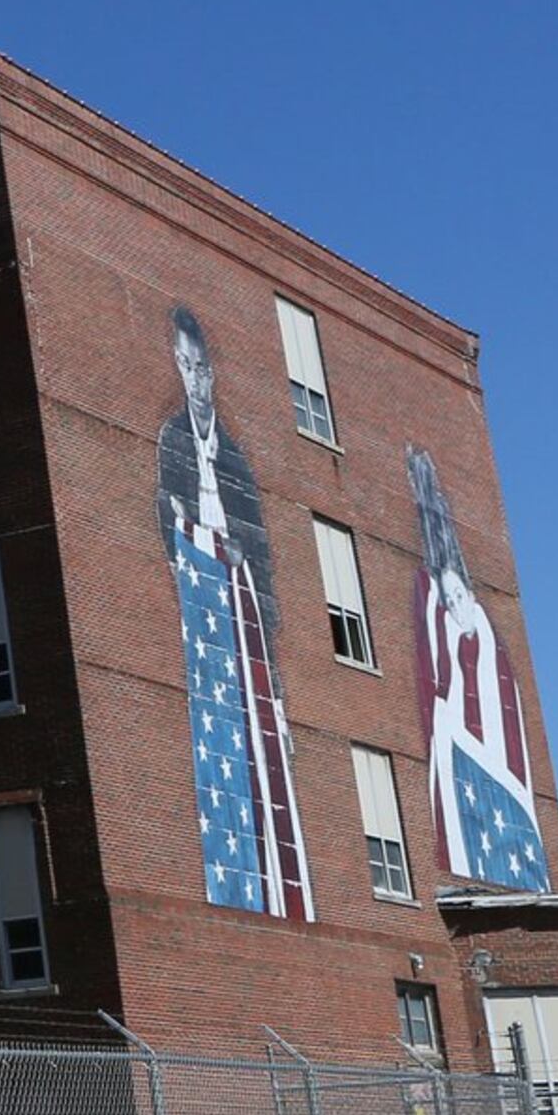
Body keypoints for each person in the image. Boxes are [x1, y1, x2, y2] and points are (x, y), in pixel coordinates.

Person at [159, 308, 313, 918]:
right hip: (204, 634)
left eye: (202, 367)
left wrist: (273, 672)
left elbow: (268, 569)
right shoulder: (171, 441)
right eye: (185, 365)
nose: (195, 378)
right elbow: (164, 526)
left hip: (244, 627)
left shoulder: (240, 464)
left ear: (214, 374)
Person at [410, 447, 551, 891]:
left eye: (459, 597)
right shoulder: (441, 630)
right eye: (448, 601)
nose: (456, 606)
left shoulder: (494, 657)